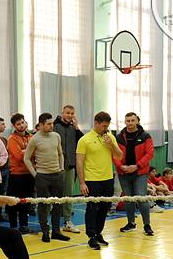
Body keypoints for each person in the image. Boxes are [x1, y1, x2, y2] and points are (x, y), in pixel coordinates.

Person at [76, 111, 124, 250]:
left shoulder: (110, 137)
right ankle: (91, 236)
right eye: (103, 126)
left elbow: (119, 156)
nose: (106, 129)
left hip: (108, 178)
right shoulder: (84, 140)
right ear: (96, 123)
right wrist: (82, 182)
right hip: (92, 179)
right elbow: (79, 162)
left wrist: (112, 145)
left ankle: (98, 233)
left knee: (104, 208)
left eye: (107, 126)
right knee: (92, 208)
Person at [24, 113, 70, 243]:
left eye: (52, 123)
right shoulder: (34, 139)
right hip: (42, 176)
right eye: (48, 124)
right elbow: (26, 158)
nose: (51, 126)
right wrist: (35, 174)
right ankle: (45, 231)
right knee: (43, 205)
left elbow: (60, 154)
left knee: (58, 204)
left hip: (57, 174)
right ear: (41, 125)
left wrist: (61, 168)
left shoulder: (56, 136)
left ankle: (56, 231)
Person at [114, 112, 155, 236]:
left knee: (141, 198)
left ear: (137, 121)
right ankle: (131, 223)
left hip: (140, 172)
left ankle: (147, 224)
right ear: (125, 122)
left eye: (132, 120)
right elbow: (114, 154)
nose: (130, 123)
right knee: (128, 199)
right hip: (123, 172)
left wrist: (137, 166)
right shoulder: (119, 137)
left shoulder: (145, 136)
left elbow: (149, 153)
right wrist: (121, 166)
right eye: (128, 121)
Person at [53, 105, 84, 233]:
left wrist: (76, 127)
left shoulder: (73, 128)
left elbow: (82, 141)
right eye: (67, 113)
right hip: (56, 167)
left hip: (70, 166)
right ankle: (53, 224)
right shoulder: (54, 126)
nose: (70, 115)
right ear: (62, 113)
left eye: (72, 113)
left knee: (68, 194)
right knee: (55, 195)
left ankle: (67, 221)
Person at [6, 113, 34, 233]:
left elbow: (36, 152)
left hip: (29, 173)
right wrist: (30, 151)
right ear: (14, 126)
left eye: (22, 122)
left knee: (26, 201)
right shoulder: (12, 139)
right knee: (14, 201)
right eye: (18, 124)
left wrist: (25, 151)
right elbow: (18, 156)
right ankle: (13, 226)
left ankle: (24, 225)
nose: (21, 125)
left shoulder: (31, 137)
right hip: (16, 175)